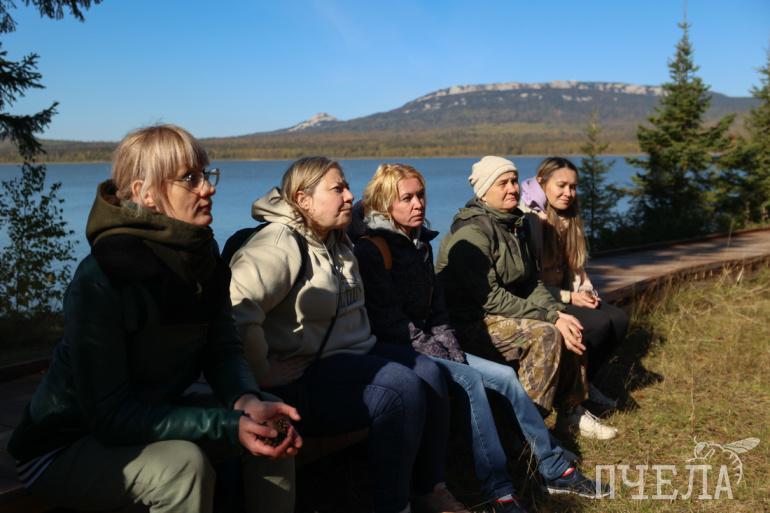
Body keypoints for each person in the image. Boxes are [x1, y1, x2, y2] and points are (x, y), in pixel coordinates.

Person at [7, 124, 302, 513]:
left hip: (147, 418)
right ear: (145, 194)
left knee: (270, 421)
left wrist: (244, 399)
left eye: (206, 174)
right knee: (183, 467)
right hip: (65, 443)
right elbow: (110, 417)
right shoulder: (104, 276)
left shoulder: (200, 260)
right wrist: (226, 424)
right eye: (190, 179)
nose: (208, 189)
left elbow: (222, 350)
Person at [350, 163, 612, 510]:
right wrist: (446, 356)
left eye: (421, 195)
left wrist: (452, 351)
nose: (418, 204)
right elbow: (393, 324)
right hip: (403, 352)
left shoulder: (419, 243)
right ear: (385, 205)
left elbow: (437, 312)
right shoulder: (373, 250)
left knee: (504, 377)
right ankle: (500, 491)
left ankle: (551, 467)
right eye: (407, 198)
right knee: (471, 381)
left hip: (437, 345)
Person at [229, 156, 470, 513]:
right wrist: (259, 370)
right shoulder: (278, 245)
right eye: (337, 189)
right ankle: (394, 505)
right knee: (400, 387)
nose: (349, 196)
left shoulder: (336, 239)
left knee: (430, 372)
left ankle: (428, 487)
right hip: (306, 374)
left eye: (347, 187)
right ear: (303, 199)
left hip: (352, 358)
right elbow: (237, 310)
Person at [435, 156, 617, 440]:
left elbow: (531, 282)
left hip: (498, 314)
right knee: (545, 334)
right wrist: (550, 317)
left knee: (569, 322)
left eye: (514, 181)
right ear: (484, 191)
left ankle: (571, 412)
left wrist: (558, 312)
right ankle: (526, 432)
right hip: (469, 322)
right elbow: (491, 298)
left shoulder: (513, 225)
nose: (512, 188)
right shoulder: (473, 232)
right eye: (503, 183)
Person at [521, 157, 629, 406]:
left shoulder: (569, 218)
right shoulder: (529, 219)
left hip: (565, 293)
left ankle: (586, 382)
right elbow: (527, 282)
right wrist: (569, 297)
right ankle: (568, 394)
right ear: (541, 182)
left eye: (573, 187)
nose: (568, 193)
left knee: (618, 320)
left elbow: (576, 268)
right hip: (541, 299)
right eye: (561, 185)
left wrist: (586, 291)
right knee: (598, 324)